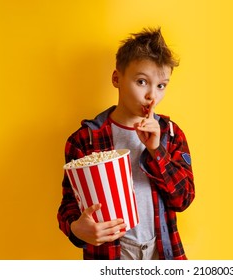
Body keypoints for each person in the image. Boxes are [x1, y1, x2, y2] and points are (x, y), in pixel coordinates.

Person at [57, 27, 195, 260]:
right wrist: (76, 228)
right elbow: (69, 206)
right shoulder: (85, 139)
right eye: (142, 82)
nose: (152, 95)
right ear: (116, 79)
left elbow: (184, 198)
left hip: (161, 251)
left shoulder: (170, 134)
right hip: (112, 255)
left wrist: (156, 150)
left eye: (161, 85)